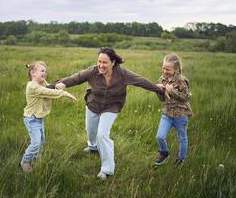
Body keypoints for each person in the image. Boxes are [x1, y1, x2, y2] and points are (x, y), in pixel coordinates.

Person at [55, 47, 164, 180]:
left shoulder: (123, 74)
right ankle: (93, 147)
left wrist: (158, 89)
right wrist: (57, 85)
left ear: (113, 62)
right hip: (93, 104)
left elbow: (141, 81)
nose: (101, 65)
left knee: (102, 134)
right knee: (91, 131)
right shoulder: (92, 71)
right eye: (99, 61)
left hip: (112, 106)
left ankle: (106, 169)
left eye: (105, 62)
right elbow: (75, 78)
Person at [20, 61, 76, 173]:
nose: (45, 73)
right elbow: (48, 92)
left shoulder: (41, 83)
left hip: (39, 118)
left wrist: (56, 86)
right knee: (36, 142)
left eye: (45, 71)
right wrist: (64, 93)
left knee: (41, 140)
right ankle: (25, 161)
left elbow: (49, 86)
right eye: (42, 71)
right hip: (31, 118)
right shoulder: (32, 87)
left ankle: (36, 159)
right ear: (33, 73)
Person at [154, 53, 192, 166]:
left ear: (176, 69)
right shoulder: (162, 79)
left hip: (181, 115)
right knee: (159, 136)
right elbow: (162, 99)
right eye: (163, 68)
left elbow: (186, 98)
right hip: (167, 114)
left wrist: (172, 91)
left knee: (182, 138)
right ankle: (164, 152)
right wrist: (158, 90)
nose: (165, 71)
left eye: (168, 69)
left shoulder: (182, 80)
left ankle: (181, 158)